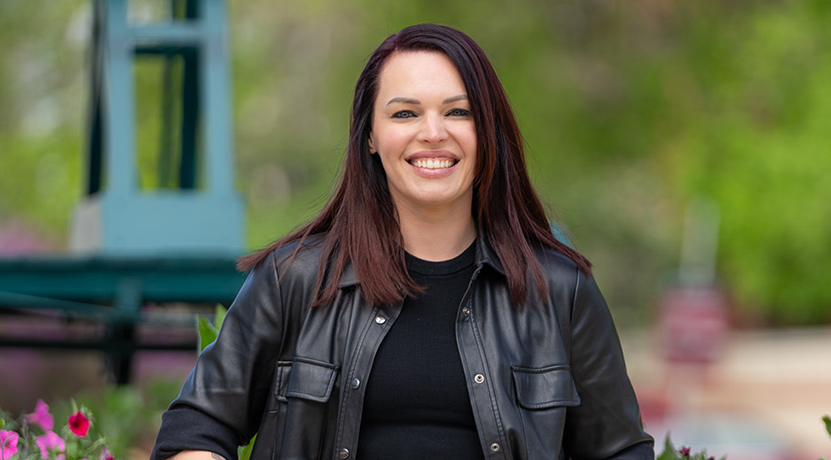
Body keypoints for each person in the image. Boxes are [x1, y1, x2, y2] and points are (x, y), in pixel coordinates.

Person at [150, 23, 653, 460]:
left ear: (488, 130)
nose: (433, 133)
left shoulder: (559, 292)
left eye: (458, 112)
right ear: (370, 135)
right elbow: (195, 427)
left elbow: (621, 451)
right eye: (405, 114)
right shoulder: (295, 280)